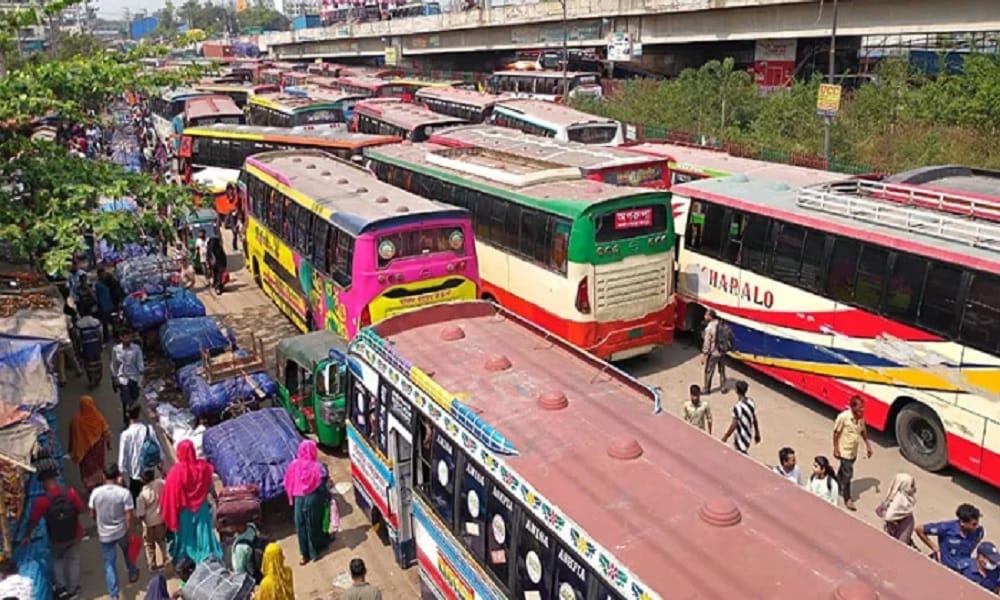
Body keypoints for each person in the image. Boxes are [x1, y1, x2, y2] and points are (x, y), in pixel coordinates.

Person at [21, 467, 84, 600]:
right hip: (74, 534)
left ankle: (61, 589)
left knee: (58, 561)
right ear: (55, 479)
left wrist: (27, 535)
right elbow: (80, 508)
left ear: (44, 483)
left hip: (56, 538)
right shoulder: (70, 493)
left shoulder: (42, 502)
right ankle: (74, 590)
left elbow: (33, 520)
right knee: (73, 560)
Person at [160, 439, 223, 564]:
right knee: (204, 534)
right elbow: (210, 486)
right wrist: (216, 498)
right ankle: (208, 559)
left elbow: (170, 494)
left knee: (186, 538)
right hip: (201, 508)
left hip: (184, 512)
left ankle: (188, 561)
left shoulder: (175, 473)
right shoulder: (203, 468)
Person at [89, 464, 139, 599]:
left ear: (104, 476)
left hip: (105, 535)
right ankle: (132, 572)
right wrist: (131, 532)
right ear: (118, 477)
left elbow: (92, 514)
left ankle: (114, 594)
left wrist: (99, 521)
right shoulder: (124, 493)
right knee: (128, 553)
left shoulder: (95, 493)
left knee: (109, 564)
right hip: (121, 531)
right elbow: (129, 516)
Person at [283, 440, 331, 565]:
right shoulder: (316, 467)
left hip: (299, 499)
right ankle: (314, 552)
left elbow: (288, 482)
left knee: (301, 525)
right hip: (313, 499)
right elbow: (320, 485)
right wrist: (327, 497)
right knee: (313, 525)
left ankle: (304, 555)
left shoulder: (294, 465)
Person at [915, 503, 984, 573]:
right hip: (941, 567)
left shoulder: (979, 532)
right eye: (974, 524)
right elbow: (919, 529)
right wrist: (935, 549)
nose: (977, 526)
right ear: (962, 523)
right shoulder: (946, 528)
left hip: (961, 570)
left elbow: (974, 543)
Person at [832, 396, 873, 511]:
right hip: (844, 451)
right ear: (853, 408)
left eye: (863, 408)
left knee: (843, 471)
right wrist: (836, 449)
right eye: (860, 408)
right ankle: (847, 498)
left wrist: (868, 445)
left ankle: (834, 483)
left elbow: (863, 431)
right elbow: (836, 433)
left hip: (853, 451)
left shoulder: (860, 418)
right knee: (848, 474)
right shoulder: (843, 417)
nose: (862, 410)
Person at [68, 395, 111, 492]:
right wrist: (108, 444)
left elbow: (73, 437)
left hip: (85, 453)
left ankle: (91, 487)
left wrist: (71, 450)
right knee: (98, 467)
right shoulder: (98, 417)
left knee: (87, 470)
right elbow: (106, 431)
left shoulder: (76, 420)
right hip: (98, 450)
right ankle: (99, 482)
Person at [136, 469, 169, 571]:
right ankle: (167, 561)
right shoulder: (160, 484)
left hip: (148, 524)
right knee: (163, 542)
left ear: (142, 480)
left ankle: (152, 563)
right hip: (161, 520)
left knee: (149, 545)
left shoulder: (142, 496)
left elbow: (141, 514)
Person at [111, 331, 144, 426]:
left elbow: (140, 363)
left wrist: (141, 376)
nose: (127, 339)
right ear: (120, 337)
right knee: (126, 401)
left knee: (134, 400)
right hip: (123, 380)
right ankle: (127, 420)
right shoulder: (116, 350)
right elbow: (114, 365)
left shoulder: (136, 349)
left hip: (134, 378)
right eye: (124, 337)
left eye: (129, 336)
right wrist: (114, 377)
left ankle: (133, 419)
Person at [720, 380, 760, 454]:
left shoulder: (738, 407)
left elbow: (734, 424)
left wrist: (725, 436)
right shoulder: (751, 402)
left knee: (740, 453)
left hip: (741, 436)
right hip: (748, 434)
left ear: (736, 391)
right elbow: (754, 418)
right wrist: (757, 433)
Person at [878, 473, 917, 546]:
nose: (914, 488)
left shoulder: (897, 494)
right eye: (911, 486)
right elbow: (889, 516)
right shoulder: (901, 500)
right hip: (901, 527)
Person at [700, 309, 730, 394]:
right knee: (722, 370)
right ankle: (723, 387)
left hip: (714, 353)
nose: (705, 316)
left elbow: (707, 343)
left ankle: (706, 388)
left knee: (709, 371)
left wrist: (705, 355)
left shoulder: (709, 328)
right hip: (722, 351)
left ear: (710, 317)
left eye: (706, 315)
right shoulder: (721, 324)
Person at [74, 309, 103, 387]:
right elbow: (100, 334)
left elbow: (77, 337)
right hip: (96, 344)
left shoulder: (79, 324)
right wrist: (101, 344)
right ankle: (98, 378)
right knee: (97, 363)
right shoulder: (96, 322)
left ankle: (91, 380)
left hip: (85, 346)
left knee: (88, 364)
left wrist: (78, 348)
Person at [94, 268, 116, 340]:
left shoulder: (107, 282)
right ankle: (106, 337)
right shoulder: (98, 284)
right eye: (103, 274)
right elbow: (98, 296)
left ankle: (114, 334)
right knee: (105, 323)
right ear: (99, 275)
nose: (104, 275)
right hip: (103, 306)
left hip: (110, 304)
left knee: (113, 321)